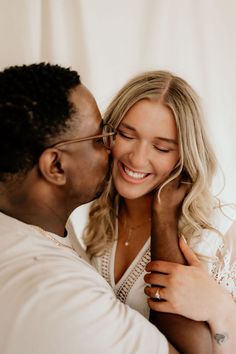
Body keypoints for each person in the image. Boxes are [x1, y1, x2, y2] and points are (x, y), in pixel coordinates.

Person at [0, 63, 178, 354]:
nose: (112, 147)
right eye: (98, 138)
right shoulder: (68, 298)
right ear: (56, 166)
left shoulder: (42, 225)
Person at [82, 70, 236, 353]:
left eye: (162, 148)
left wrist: (223, 311)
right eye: (127, 135)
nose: (137, 158)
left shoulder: (219, 233)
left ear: (185, 155)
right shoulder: (99, 214)